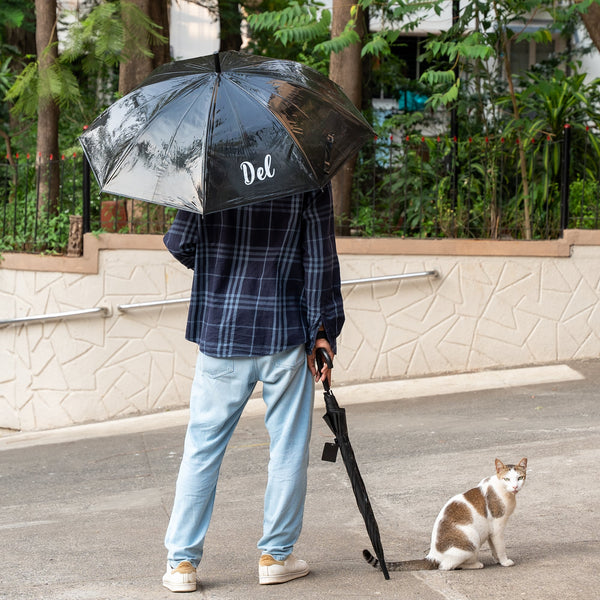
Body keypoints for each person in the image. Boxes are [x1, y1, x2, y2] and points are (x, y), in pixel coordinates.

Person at [161, 185, 344, 592]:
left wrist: (220, 270)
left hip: (222, 329)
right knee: (288, 447)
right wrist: (324, 330)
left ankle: (181, 565)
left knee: (202, 448)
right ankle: (276, 557)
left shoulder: (210, 167)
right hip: (284, 330)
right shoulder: (308, 167)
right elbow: (319, 261)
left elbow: (180, 241)